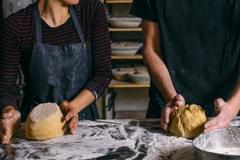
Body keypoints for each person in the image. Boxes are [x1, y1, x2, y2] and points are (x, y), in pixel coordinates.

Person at [0, 0, 111, 144]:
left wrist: (73, 108)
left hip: (82, 126)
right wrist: (10, 113)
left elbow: (103, 74)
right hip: (36, 131)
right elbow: (5, 88)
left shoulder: (91, 11)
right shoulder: (17, 25)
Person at [131, 0, 240, 132]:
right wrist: (172, 98)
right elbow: (151, 49)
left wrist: (233, 106)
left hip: (229, 107)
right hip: (169, 105)